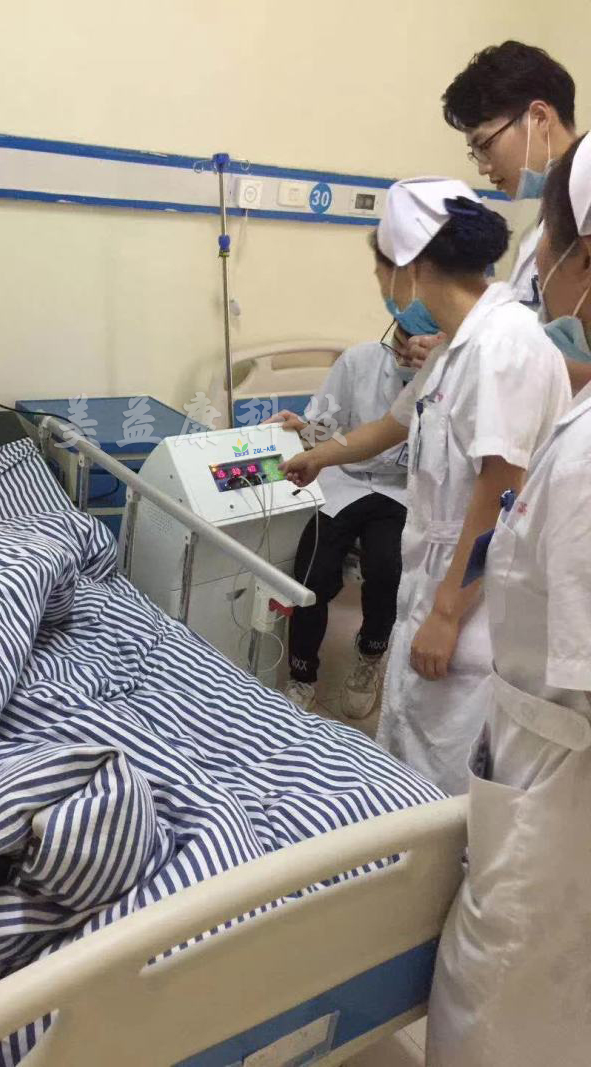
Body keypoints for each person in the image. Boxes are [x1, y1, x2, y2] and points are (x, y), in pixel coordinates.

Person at [282, 177, 570, 794]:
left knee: (447, 764)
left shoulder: (502, 349)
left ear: (409, 268)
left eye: (381, 270)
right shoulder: (454, 349)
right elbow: (393, 423)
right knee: (412, 739)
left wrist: (445, 613)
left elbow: (501, 490)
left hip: (473, 594)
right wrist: (321, 455)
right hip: (440, 570)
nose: (382, 288)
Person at [427, 133, 591, 1067]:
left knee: (502, 1004)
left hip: (558, 798)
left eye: (551, 248)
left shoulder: (585, 454)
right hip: (543, 758)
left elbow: (501, 484)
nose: (542, 274)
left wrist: (447, 608)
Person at [266, 322, 430, 717]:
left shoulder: (448, 380)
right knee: (312, 572)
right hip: (344, 479)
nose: (403, 355)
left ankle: (369, 655)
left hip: (399, 489)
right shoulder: (359, 361)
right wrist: (303, 430)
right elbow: (325, 426)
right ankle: (302, 674)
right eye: (397, 344)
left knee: (388, 569)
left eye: (413, 349)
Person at [409, 42, 586, 391]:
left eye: (485, 145)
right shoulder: (540, 230)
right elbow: (531, 339)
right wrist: (465, 342)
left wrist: (480, 357)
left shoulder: (581, 214)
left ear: (539, 118)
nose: (484, 167)